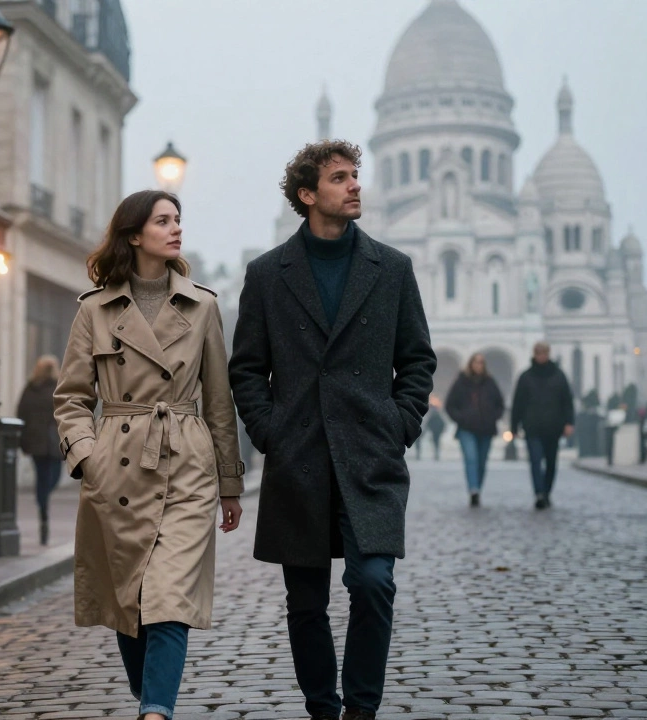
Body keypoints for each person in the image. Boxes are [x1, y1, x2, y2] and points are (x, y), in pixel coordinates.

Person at [229, 139, 435, 720]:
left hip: (371, 454)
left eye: (355, 176)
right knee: (305, 603)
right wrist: (272, 431)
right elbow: (247, 366)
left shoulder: (391, 268)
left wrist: (400, 422)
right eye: (340, 177)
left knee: (373, 584)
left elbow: (417, 358)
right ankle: (323, 706)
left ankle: (361, 709)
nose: (355, 186)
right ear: (307, 193)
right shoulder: (269, 273)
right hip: (299, 458)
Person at [53, 190, 245, 720]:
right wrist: (88, 457)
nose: (176, 227)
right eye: (163, 220)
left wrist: (229, 483)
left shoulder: (202, 305)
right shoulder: (95, 309)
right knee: (128, 599)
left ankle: (156, 712)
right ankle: (150, 696)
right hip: (116, 466)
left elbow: (219, 401)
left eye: (178, 218)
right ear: (135, 234)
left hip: (185, 460)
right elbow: (71, 398)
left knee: (169, 595)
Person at [510, 341, 575, 509]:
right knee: (535, 461)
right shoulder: (525, 377)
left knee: (551, 463)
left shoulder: (558, 375)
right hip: (532, 427)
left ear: (548, 354)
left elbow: (567, 401)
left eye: (544, 353)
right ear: (534, 354)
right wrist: (514, 426)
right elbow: (518, 403)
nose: (541, 356)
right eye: (538, 353)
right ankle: (539, 493)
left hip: (554, 427)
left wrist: (569, 422)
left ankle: (547, 491)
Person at [444, 353, 506, 507]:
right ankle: (473, 490)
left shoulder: (490, 382)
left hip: (486, 428)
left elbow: (500, 404)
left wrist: (493, 417)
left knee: (482, 462)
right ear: (471, 364)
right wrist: (461, 418)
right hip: (467, 428)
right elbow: (450, 405)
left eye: (481, 362)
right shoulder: (461, 382)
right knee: (471, 459)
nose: (479, 365)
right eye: (476, 362)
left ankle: (477, 487)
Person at [17, 355, 63, 546]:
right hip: (50, 441)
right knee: (51, 478)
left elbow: (21, 413)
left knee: (45, 479)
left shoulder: (31, 389)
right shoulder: (58, 387)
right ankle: (43, 509)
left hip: (40, 441)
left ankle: (42, 504)